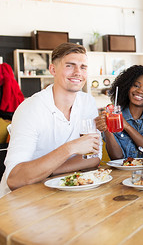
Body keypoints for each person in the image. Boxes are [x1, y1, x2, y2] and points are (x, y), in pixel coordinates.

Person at [0, 43, 100, 197]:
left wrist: (47, 171)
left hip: (62, 191)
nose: (77, 72)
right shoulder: (30, 109)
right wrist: (70, 148)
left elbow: (92, 158)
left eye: (83, 67)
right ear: (53, 69)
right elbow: (14, 179)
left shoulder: (88, 102)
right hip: (20, 200)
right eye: (70, 65)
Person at [95, 65, 143, 159]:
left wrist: (126, 126)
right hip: (122, 173)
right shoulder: (113, 116)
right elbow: (117, 158)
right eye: (136, 85)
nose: (140, 91)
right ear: (127, 86)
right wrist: (107, 130)